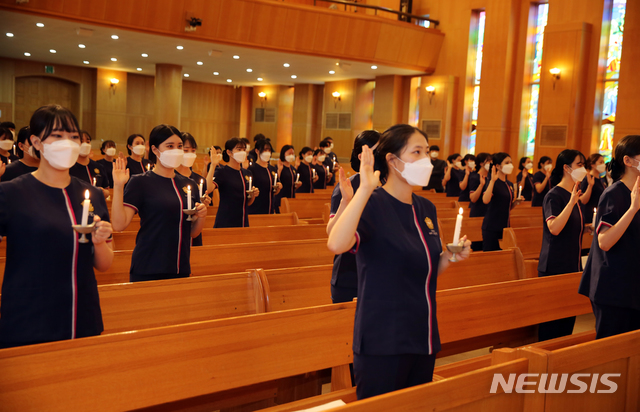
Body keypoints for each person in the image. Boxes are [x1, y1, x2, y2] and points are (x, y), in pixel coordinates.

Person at [327, 124, 471, 400]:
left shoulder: (426, 208)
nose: (426, 160)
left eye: (427, 152)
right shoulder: (372, 204)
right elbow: (336, 244)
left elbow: (426, 268)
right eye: (416, 152)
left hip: (422, 333)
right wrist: (364, 190)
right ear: (393, 160)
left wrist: (450, 257)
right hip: (383, 339)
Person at [0, 104, 113, 348]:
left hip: (82, 314)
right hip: (29, 319)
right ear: (37, 142)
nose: (68, 143)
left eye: (73, 137)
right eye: (57, 136)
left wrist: (99, 240)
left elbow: (104, 265)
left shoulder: (92, 195)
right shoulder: (11, 192)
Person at [111, 124, 207, 282]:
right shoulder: (141, 182)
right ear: (155, 150)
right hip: (149, 267)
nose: (176, 150)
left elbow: (192, 233)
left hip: (180, 267)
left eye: (179, 146)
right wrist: (118, 186)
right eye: (170, 146)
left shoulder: (188, 185)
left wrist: (202, 215)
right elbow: (119, 224)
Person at [580, 135, 640, 339]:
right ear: (628, 160)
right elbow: (604, 241)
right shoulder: (613, 194)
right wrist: (632, 210)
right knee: (613, 351)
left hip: (631, 284)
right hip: (612, 287)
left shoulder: (637, 192)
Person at [538, 149, 588, 341]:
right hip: (554, 266)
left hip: (572, 265)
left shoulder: (574, 194)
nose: (583, 169)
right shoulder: (555, 195)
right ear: (567, 168)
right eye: (579, 165)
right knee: (552, 325)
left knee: (567, 322)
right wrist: (571, 203)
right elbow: (554, 228)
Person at [327, 130, 380, 304]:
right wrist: (346, 200)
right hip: (350, 276)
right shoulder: (349, 185)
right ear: (361, 156)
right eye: (377, 150)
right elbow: (332, 231)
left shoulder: (389, 185)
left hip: (379, 275)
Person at [208, 137, 259, 228]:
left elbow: (247, 202)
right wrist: (213, 165)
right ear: (229, 152)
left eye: (244, 150)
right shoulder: (222, 172)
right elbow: (208, 189)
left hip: (243, 221)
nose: (242, 152)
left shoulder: (247, 173)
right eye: (239, 150)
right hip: (226, 222)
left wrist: (253, 195)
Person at [481, 152, 523, 251]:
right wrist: (492, 181)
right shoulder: (492, 182)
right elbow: (485, 200)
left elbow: (506, 206)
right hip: (492, 227)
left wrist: (515, 202)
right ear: (498, 166)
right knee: (491, 258)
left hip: (505, 227)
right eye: (507, 163)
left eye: (511, 162)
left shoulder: (509, 184)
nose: (510, 165)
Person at [176, 132, 211, 246]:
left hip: (194, 234)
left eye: (193, 150)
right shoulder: (171, 178)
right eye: (186, 151)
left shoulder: (199, 180)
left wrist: (203, 206)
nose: (190, 154)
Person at [69, 130, 110, 198]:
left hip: (96, 206)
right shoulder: (68, 167)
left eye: (88, 142)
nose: (85, 145)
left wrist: (103, 192)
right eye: (81, 142)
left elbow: (106, 189)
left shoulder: (99, 166)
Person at [248, 139, 282, 214]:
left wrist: (278, 187)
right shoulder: (251, 169)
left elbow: (274, 191)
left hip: (270, 209)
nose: (267, 153)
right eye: (264, 150)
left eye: (269, 150)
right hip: (256, 210)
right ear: (257, 151)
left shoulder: (272, 169)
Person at [580, 153, 608, 225]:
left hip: (600, 213)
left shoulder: (601, 180)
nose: (603, 164)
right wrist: (590, 185)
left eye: (603, 162)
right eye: (600, 162)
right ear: (592, 164)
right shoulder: (588, 179)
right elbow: (583, 200)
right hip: (589, 215)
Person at [274, 144, 302, 212]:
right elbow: (276, 181)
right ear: (284, 154)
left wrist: (297, 185)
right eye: (289, 153)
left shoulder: (293, 169)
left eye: (292, 153)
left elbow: (293, 183)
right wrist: (279, 171)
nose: (291, 155)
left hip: (291, 197)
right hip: (281, 198)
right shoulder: (278, 167)